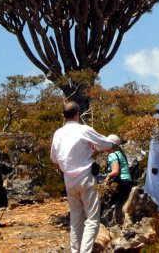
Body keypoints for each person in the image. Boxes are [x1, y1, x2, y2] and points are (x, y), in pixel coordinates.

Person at [50, 101, 115, 253]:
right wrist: (110, 144)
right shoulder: (83, 130)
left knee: (75, 219)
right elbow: (106, 144)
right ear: (78, 114)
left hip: (69, 180)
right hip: (86, 177)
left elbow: (53, 157)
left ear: (64, 115)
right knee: (92, 219)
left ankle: (75, 250)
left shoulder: (58, 133)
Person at [103, 134, 133, 225]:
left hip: (121, 183)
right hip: (127, 182)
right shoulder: (120, 153)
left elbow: (115, 172)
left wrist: (107, 178)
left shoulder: (112, 155)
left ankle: (106, 223)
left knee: (104, 200)